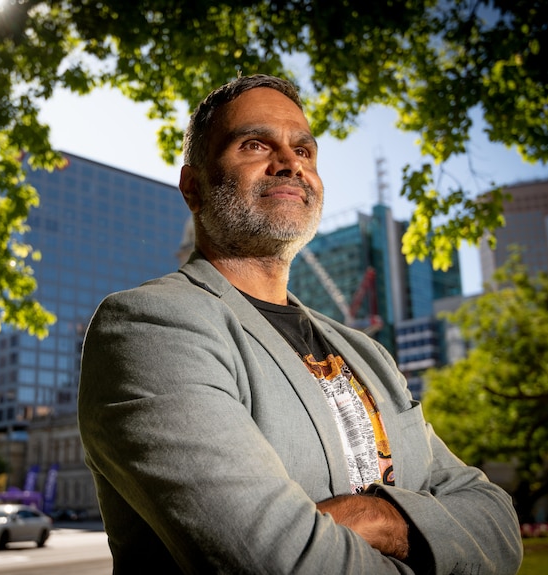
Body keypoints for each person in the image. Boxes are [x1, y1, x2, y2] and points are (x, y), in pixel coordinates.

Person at [78, 74, 523, 574]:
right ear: (193, 187)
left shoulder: (368, 353)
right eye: (254, 144)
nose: (290, 163)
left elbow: (498, 526)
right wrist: (434, 541)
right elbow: (275, 562)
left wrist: (378, 519)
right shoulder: (151, 326)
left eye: (304, 151)